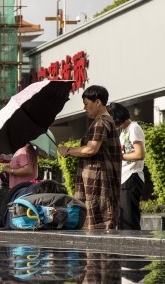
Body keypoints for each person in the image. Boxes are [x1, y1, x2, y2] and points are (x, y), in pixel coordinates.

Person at [58, 85, 121, 230]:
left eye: (87, 104)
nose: (85, 109)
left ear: (98, 102)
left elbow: (91, 149)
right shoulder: (104, 121)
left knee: (98, 223)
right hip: (96, 181)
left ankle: (99, 254)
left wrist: (68, 150)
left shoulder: (101, 122)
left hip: (99, 183)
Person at [107, 102, 146, 230]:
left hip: (132, 176)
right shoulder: (123, 130)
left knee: (129, 219)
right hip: (124, 178)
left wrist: (119, 156)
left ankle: (133, 247)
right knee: (123, 219)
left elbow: (140, 154)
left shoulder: (134, 128)